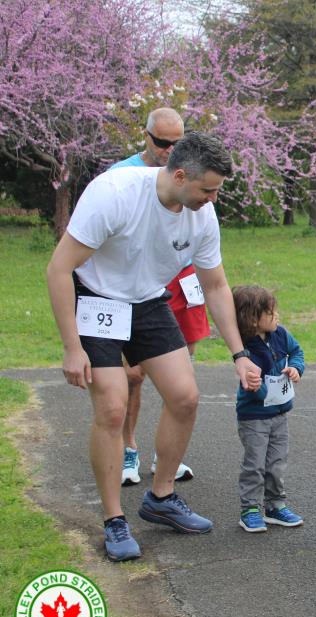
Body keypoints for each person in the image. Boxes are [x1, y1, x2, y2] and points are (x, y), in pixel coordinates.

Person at [46, 131, 261, 562]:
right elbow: (59, 268)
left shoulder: (202, 214)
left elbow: (215, 285)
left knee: (185, 396)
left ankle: (161, 497)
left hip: (147, 300)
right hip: (97, 297)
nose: (213, 199)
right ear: (179, 176)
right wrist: (72, 347)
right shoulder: (114, 193)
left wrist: (239, 354)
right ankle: (114, 519)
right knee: (112, 407)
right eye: (207, 190)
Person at [109, 107, 202, 486]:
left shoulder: (192, 172)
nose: (170, 150)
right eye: (163, 142)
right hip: (135, 285)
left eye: (178, 142)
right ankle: (127, 447)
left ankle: (166, 456)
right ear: (146, 137)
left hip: (182, 280)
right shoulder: (122, 175)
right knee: (132, 376)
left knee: (181, 373)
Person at [232, 286, 305, 532]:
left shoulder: (281, 334)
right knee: (255, 464)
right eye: (271, 312)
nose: (277, 316)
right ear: (253, 319)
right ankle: (250, 509)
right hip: (254, 417)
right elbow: (254, 384)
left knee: (277, 462)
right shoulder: (245, 349)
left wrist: (296, 368)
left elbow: (297, 352)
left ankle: (275, 506)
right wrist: (260, 388)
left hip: (279, 414)